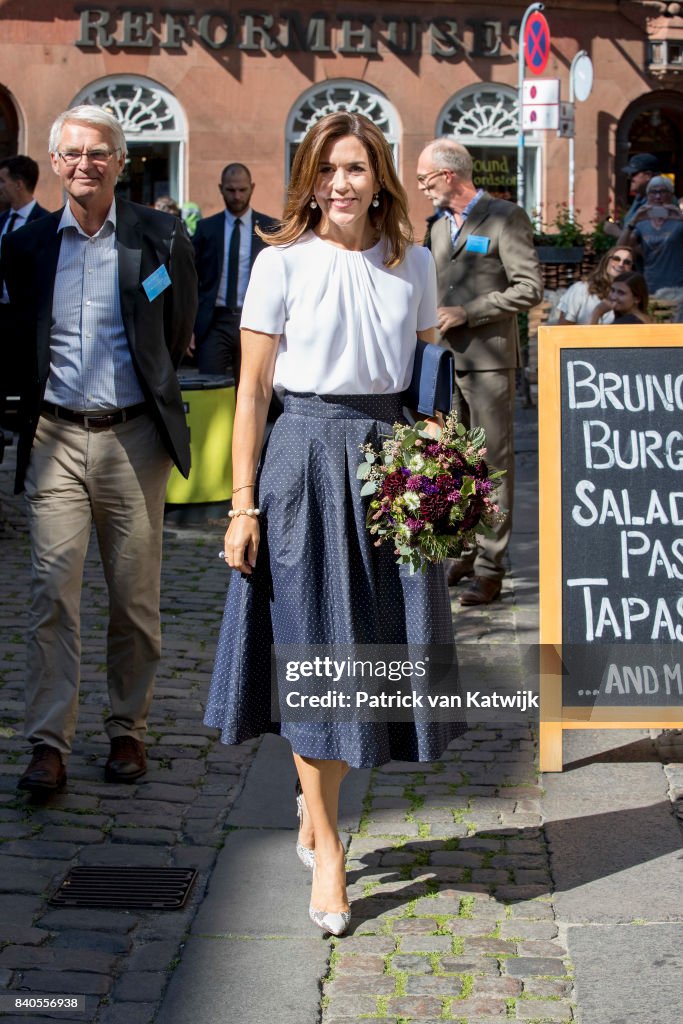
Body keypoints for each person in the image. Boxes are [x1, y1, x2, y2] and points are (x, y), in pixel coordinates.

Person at [204, 112, 463, 937]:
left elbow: (427, 380)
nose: (342, 184)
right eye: (327, 171)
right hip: (304, 460)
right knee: (316, 645)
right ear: (309, 180)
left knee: (374, 646)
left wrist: (440, 477)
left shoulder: (412, 262)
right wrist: (241, 506)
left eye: (356, 168)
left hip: (388, 462)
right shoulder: (279, 264)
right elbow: (250, 395)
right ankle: (331, 852)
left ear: (378, 176)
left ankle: (314, 811)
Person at [1, 105, 197, 794]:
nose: (85, 163)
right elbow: (20, 334)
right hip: (53, 435)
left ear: (120, 161)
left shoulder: (159, 236)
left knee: (134, 598)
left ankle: (126, 730)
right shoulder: (28, 245)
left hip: (133, 438)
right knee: (51, 593)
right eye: (72, 153)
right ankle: (48, 742)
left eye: (99, 152)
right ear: (54, 162)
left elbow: (175, 334)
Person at [416, 137, 543, 605]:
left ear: (449, 175)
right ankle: (464, 553)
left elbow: (530, 288)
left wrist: (469, 311)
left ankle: (492, 567)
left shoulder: (506, 217)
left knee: (492, 465)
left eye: (425, 180)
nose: (423, 189)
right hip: (447, 362)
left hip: (489, 361)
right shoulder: (437, 227)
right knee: (455, 463)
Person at [192, 163, 278, 381]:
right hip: (215, 320)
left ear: (252, 188)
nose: (237, 196)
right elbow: (192, 278)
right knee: (210, 386)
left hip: (254, 318)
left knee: (251, 386)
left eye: (242, 190)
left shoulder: (269, 229)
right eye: (231, 190)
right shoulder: (206, 228)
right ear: (221, 189)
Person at [0, 156, 51, 429]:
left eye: (3, 181)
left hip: (27, 322)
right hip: (1, 316)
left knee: (27, 384)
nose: (0, 187)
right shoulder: (1, 221)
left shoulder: (45, 224)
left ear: (19, 184)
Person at [618, 175, 683, 320]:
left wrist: (679, 217)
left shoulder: (679, 221)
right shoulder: (642, 223)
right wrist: (633, 221)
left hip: (678, 289)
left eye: (663, 192)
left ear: (671, 195)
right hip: (650, 288)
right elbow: (620, 249)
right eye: (653, 192)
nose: (658, 196)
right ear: (647, 196)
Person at [556, 246, 635, 325]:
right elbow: (563, 328)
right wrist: (598, 311)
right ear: (606, 261)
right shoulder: (581, 289)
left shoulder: (632, 297)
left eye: (627, 262)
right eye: (616, 259)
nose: (621, 264)